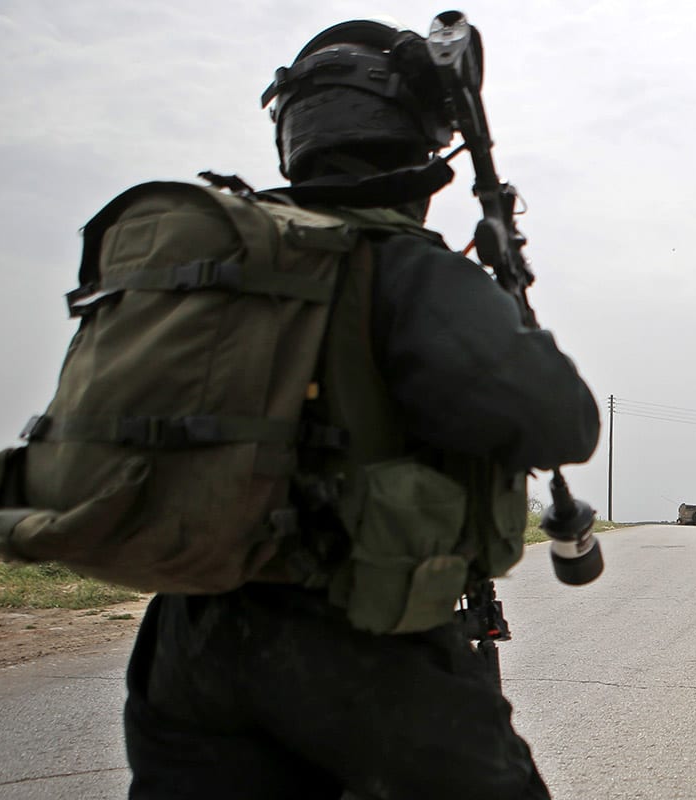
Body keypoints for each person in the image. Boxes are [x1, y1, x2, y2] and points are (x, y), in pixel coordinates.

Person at [120, 20, 599, 799]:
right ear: (416, 139)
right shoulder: (403, 269)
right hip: (362, 637)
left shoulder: (221, 271)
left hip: (189, 642)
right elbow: (564, 423)